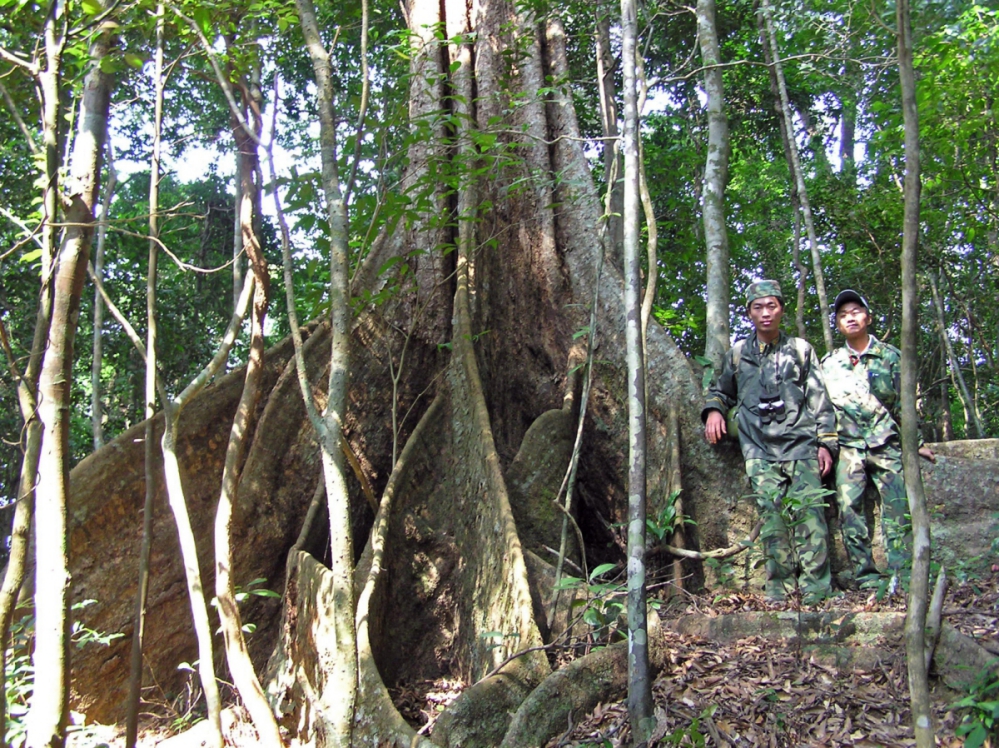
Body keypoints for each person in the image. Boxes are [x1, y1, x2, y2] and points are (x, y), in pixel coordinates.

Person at [703, 280, 839, 604]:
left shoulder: (801, 350)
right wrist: (713, 412)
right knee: (772, 517)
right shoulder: (737, 354)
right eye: (758, 307)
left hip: (801, 444)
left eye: (772, 306)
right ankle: (779, 591)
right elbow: (719, 390)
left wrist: (826, 443)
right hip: (759, 448)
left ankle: (816, 593)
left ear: (781, 309)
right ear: (749, 312)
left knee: (810, 516)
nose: (766, 313)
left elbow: (820, 399)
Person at [821, 290, 936, 588]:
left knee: (898, 508)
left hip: (887, 443)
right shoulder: (830, 363)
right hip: (848, 447)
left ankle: (904, 577)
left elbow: (905, 404)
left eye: (857, 311)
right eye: (844, 314)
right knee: (849, 511)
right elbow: (822, 408)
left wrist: (917, 442)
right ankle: (867, 579)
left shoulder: (890, 356)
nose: (851, 317)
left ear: (868, 318)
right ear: (837, 324)